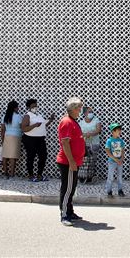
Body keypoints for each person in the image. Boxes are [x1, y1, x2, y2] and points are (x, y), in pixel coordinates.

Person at [57, 97, 86, 226]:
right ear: (73, 109)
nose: (80, 110)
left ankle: (70, 211)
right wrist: (72, 161)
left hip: (74, 161)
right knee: (67, 189)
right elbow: (65, 143)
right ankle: (64, 215)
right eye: (79, 107)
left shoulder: (73, 121)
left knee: (72, 188)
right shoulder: (67, 122)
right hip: (68, 162)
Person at [21, 99, 55, 182]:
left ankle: (39, 175)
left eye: (36, 105)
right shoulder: (27, 116)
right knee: (31, 157)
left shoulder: (39, 115)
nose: (35, 107)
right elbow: (24, 128)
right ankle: (31, 175)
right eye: (33, 106)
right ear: (28, 107)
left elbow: (43, 125)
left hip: (40, 138)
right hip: (30, 139)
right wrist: (34, 125)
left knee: (43, 156)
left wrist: (50, 120)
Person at [78, 106, 102, 183]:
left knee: (92, 161)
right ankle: (83, 176)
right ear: (85, 113)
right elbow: (79, 133)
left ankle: (91, 177)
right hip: (84, 144)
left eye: (91, 112)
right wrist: (85, 135)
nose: (91, 113)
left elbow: (98, 130)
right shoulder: (81, 122)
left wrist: (90, 134)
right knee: (84, 161)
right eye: (89, 112)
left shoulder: (96, 120)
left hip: (94, 144)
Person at [0, 101, 23, 179]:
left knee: (5, 155)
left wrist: (2, 139)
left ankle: (5, 173)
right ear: (15, 108)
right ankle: (12, 174)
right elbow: (21, 127)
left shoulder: (5, 116)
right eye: (17, 107)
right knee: (12, 156)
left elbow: (2, 129)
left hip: (7, 136)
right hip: (16, 136)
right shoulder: (18, 116)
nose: (18, 108)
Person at [104, 123, 126, 197]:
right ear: (113, 131)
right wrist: (115, 159)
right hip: (112, 162)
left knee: (120, 177)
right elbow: (107, 151)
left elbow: (123, 150)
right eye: (118, 130)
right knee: (110, 177)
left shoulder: (121, 141)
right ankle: (109, 191)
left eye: (120, 130)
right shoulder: (109, 141)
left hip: (119, 162)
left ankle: (120, 190)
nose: (120, 131)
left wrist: (122, 158)